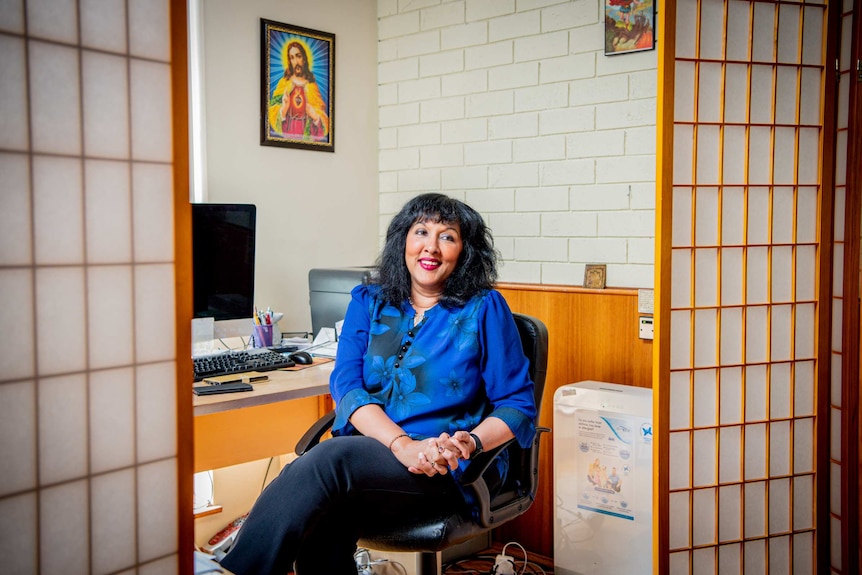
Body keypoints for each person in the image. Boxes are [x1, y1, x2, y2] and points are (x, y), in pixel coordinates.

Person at [218, 193, 537, 575]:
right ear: (403, 239)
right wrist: (400, 445)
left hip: (442, 467)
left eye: (447, 236)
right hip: (370, 456)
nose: (430, 247)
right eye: (421, 232)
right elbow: (347, 386)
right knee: (325, 509)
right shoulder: (369, 301)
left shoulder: (484, 308)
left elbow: (517, 405)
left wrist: (469, 442)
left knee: (325, 463)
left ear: (464, 251)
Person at [267, 41, 329, 142]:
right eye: (292, 58)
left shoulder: (312, 85)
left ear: (304, 58)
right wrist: (284, 108)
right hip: (288, 130)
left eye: (298, 56)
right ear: (290, 61)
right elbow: (272, 108)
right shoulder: (284, 83)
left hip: (306, 132)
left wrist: (315, 116)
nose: (295, 61)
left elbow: (321, 114)